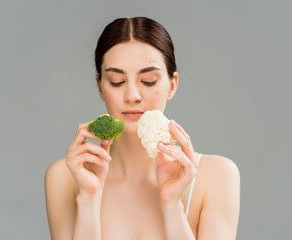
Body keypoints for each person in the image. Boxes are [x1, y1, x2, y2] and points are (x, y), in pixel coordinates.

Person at [44, 16, 240, 240]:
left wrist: (172, 205)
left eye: (148, 81)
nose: (132, 96)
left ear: (172, 84)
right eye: (117, 81)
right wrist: (88, 199)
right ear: (99, 87)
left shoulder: (216, 176)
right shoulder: (65, 176)